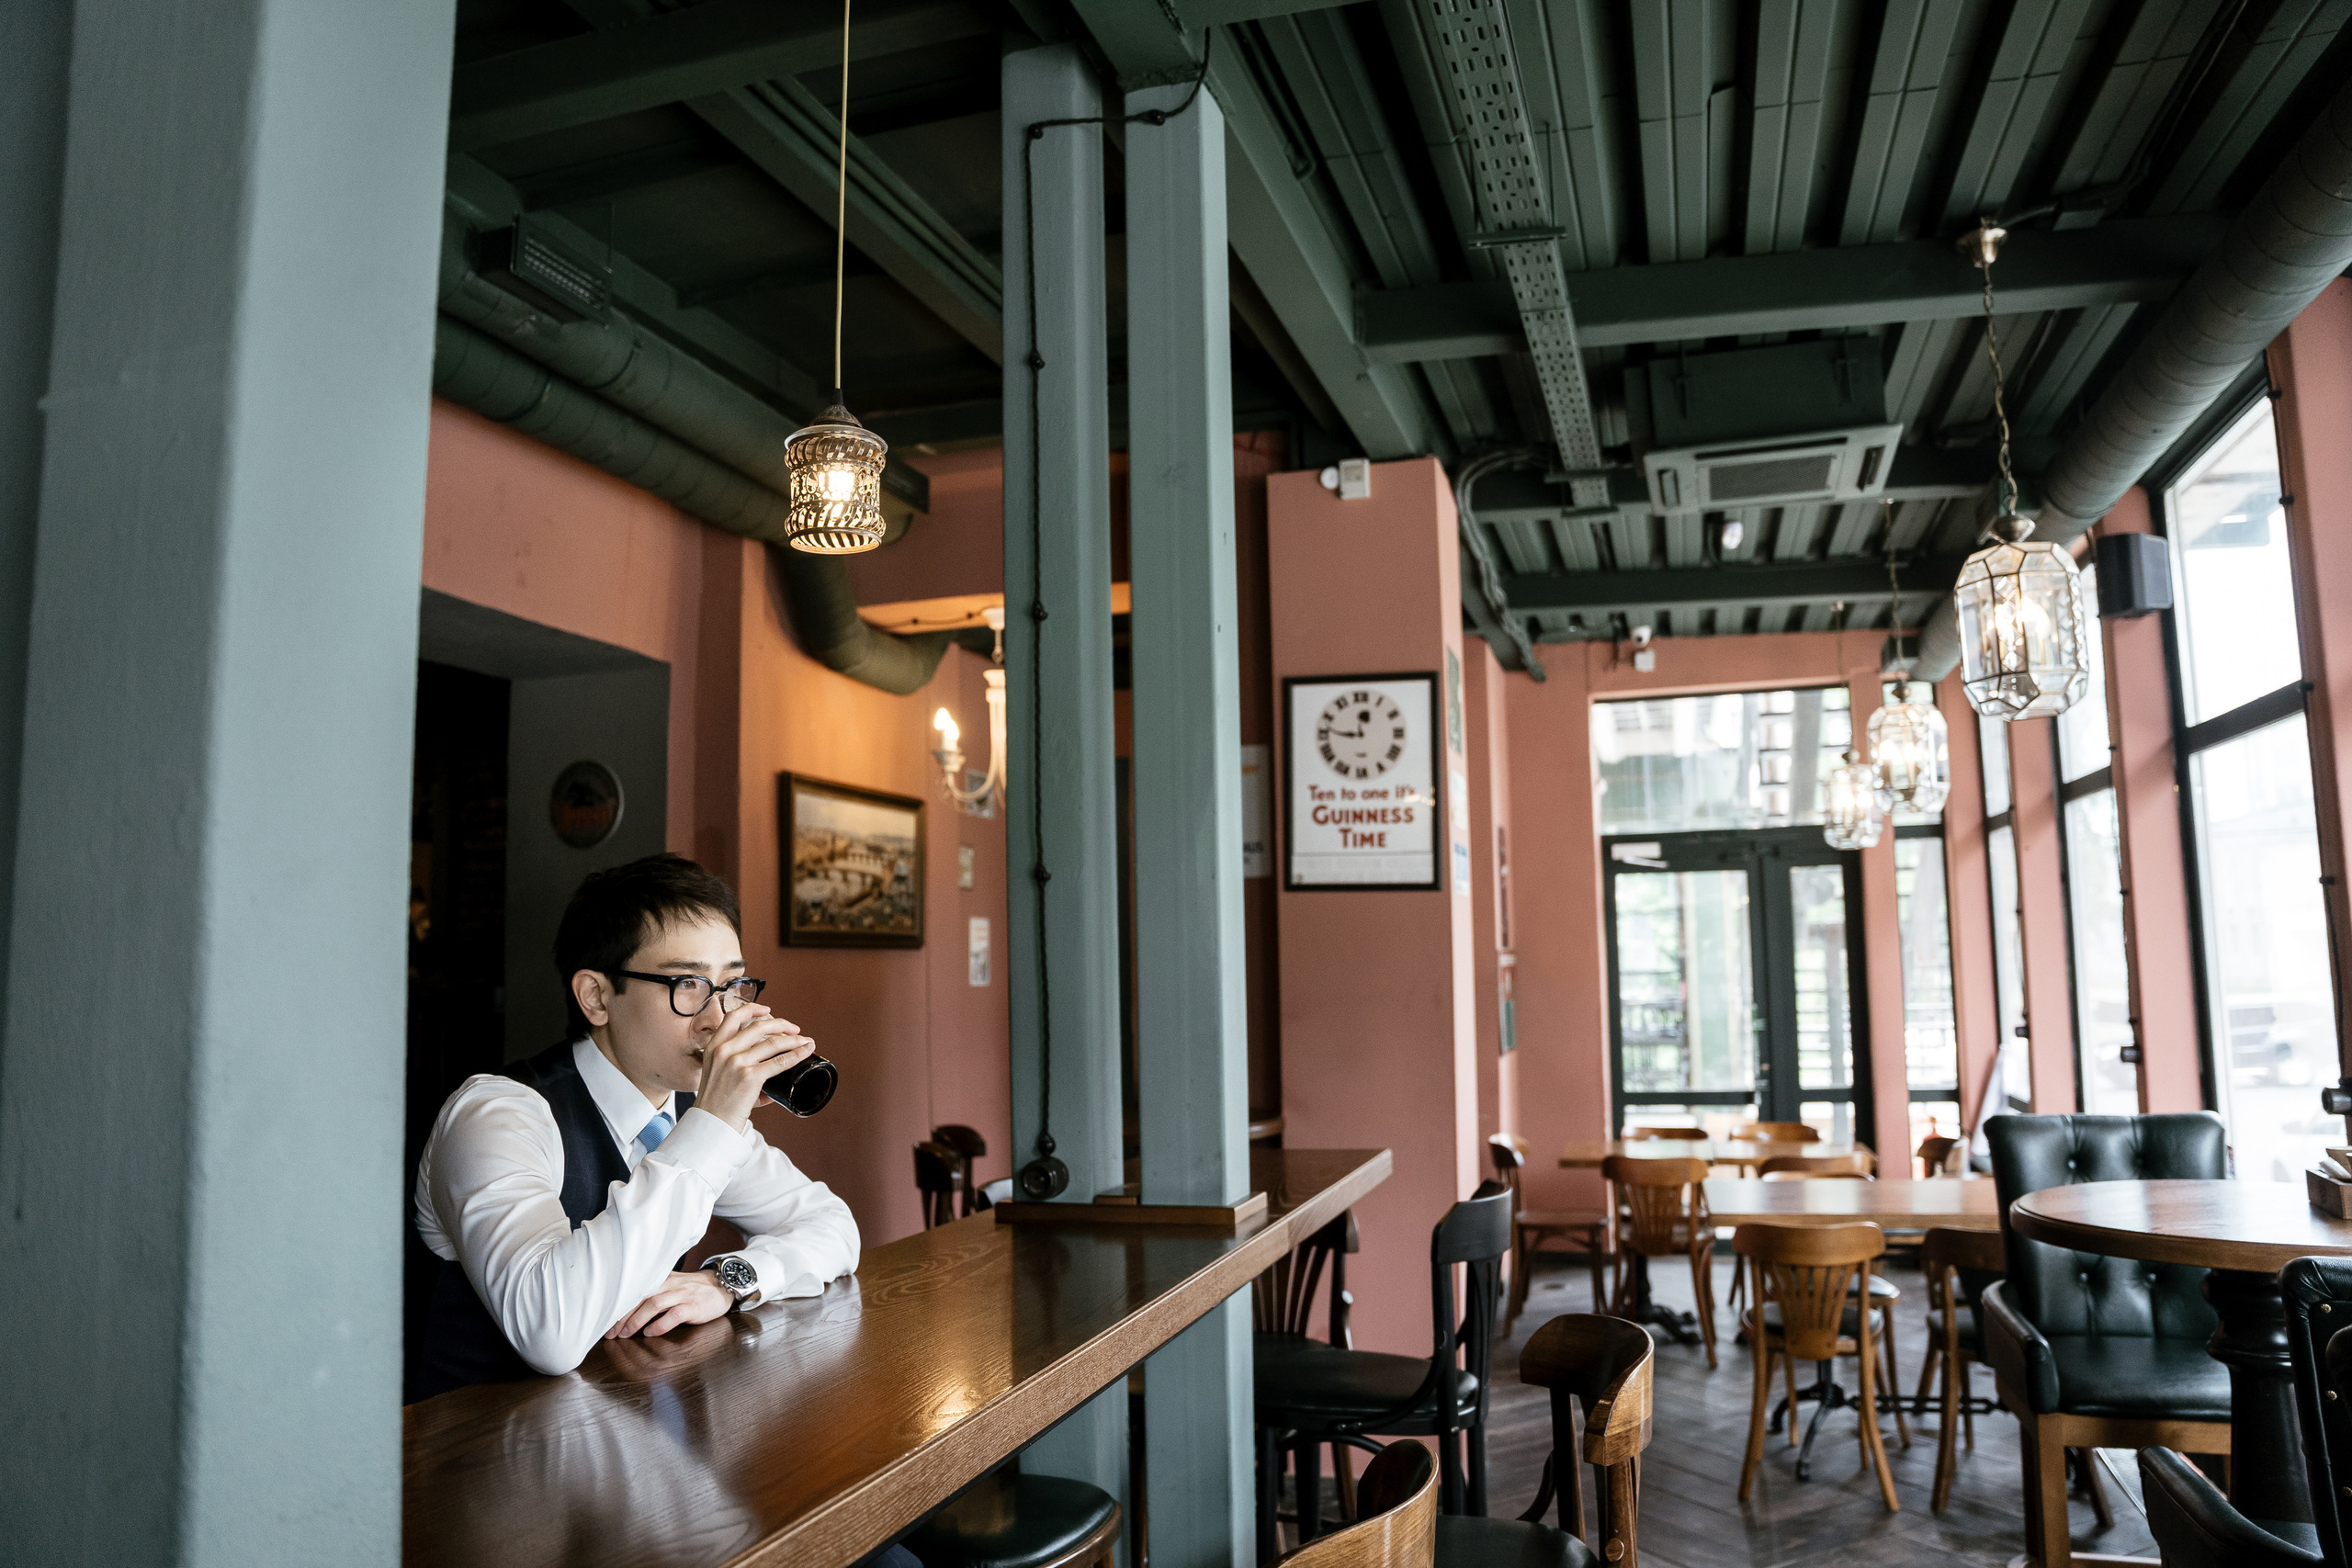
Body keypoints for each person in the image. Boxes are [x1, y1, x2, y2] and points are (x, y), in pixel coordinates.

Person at [410, 852, 858, 1401]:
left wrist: (731, 1280)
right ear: (597, 997)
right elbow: (549, 1333)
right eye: (688, 983)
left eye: (733, 985)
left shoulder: (691, 1113)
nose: (719, 1018)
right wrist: (714, 1120)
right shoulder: (496, 1116)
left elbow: (831, 1224)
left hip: (620, 1437)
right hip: (475, 1462)